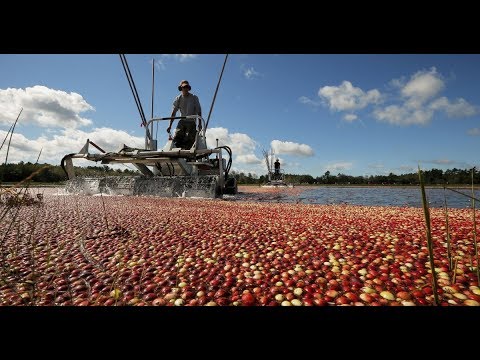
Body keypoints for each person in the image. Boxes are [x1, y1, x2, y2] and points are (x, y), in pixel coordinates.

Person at [167, 80, 202, 149]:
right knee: (177, 138)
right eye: (184, 87)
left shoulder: (194, 97)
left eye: (187, 87)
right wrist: (170, 125)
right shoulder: (178, 98)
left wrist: (200, 123)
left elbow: (199, 111)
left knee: (189, 139)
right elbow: (173, 112)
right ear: (181, 88)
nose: (186, 88)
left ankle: (188, 153)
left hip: (191, 121)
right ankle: (176, 153)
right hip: (182, 121)